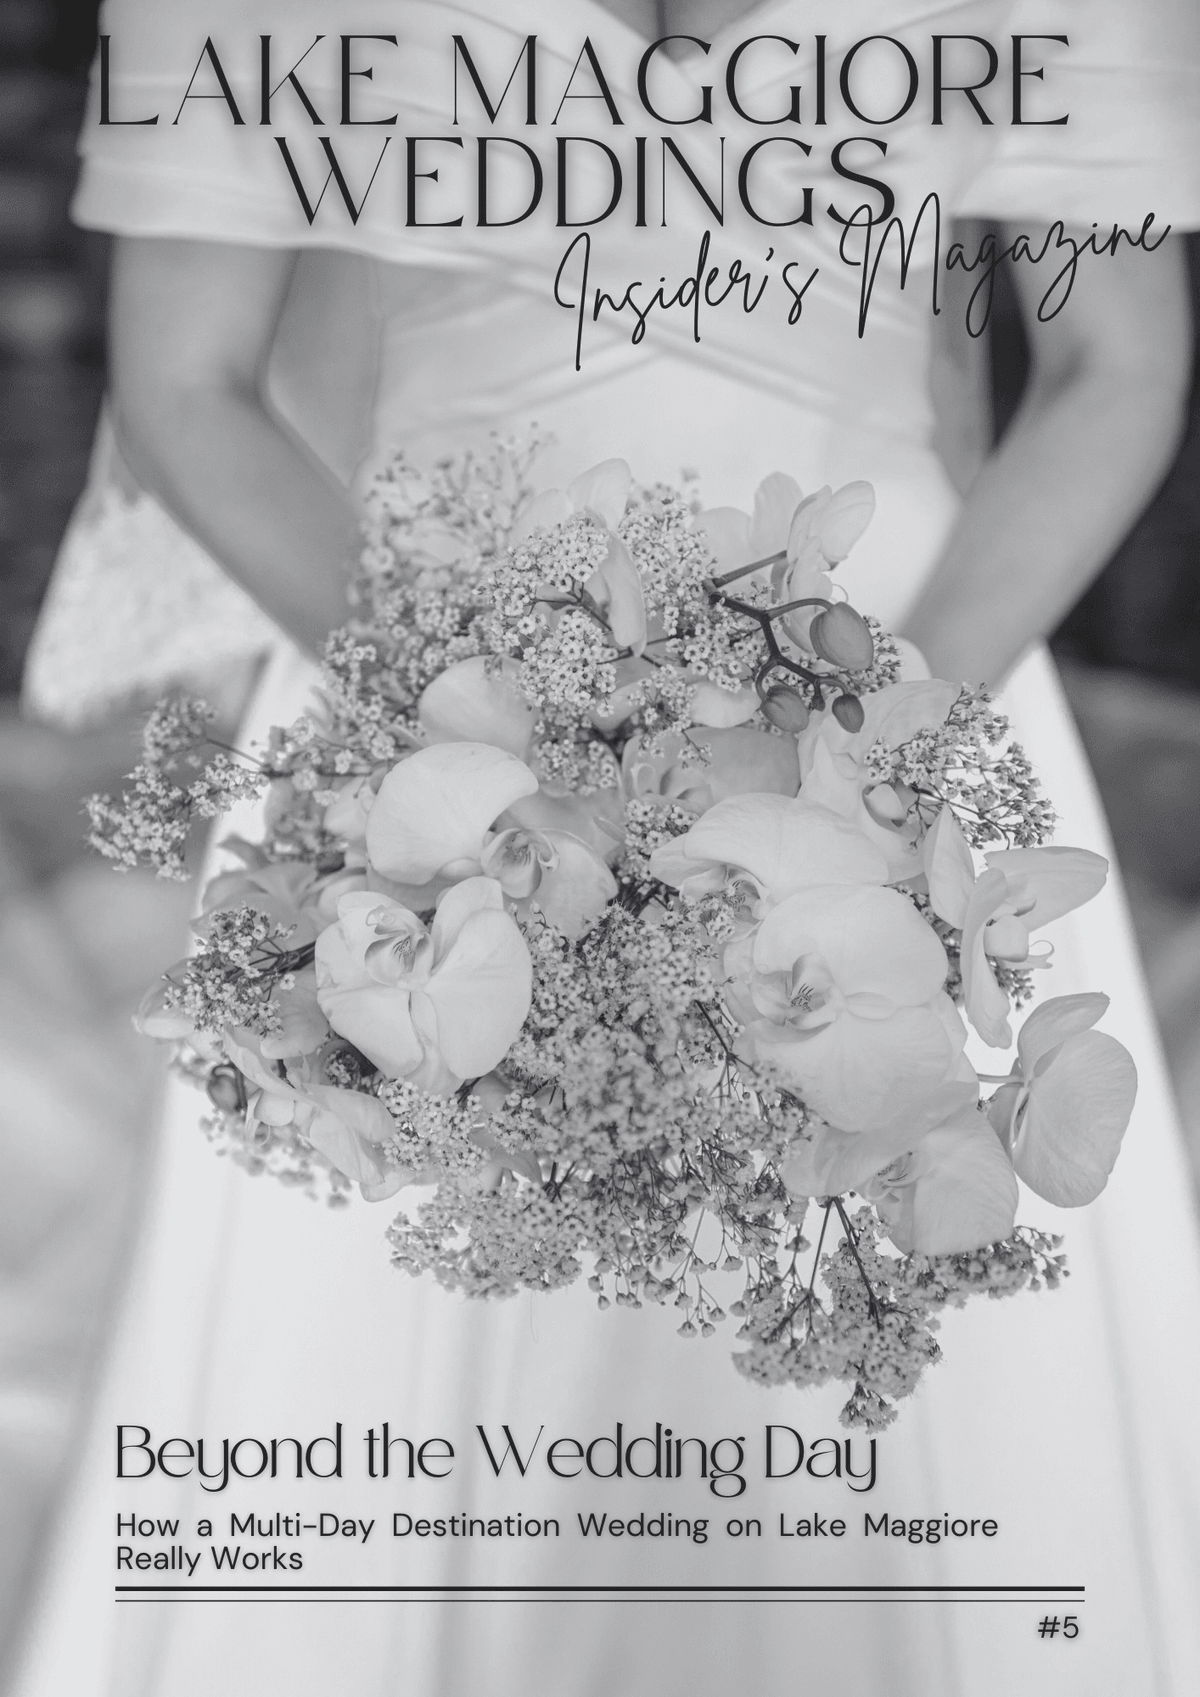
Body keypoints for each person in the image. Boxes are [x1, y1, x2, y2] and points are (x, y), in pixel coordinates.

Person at [11, 4, 1200, 1694]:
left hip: (912, 675)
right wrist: (472, 752)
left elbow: (1115, 365)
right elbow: (187, 381)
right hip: (416, 693)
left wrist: (874, 755)